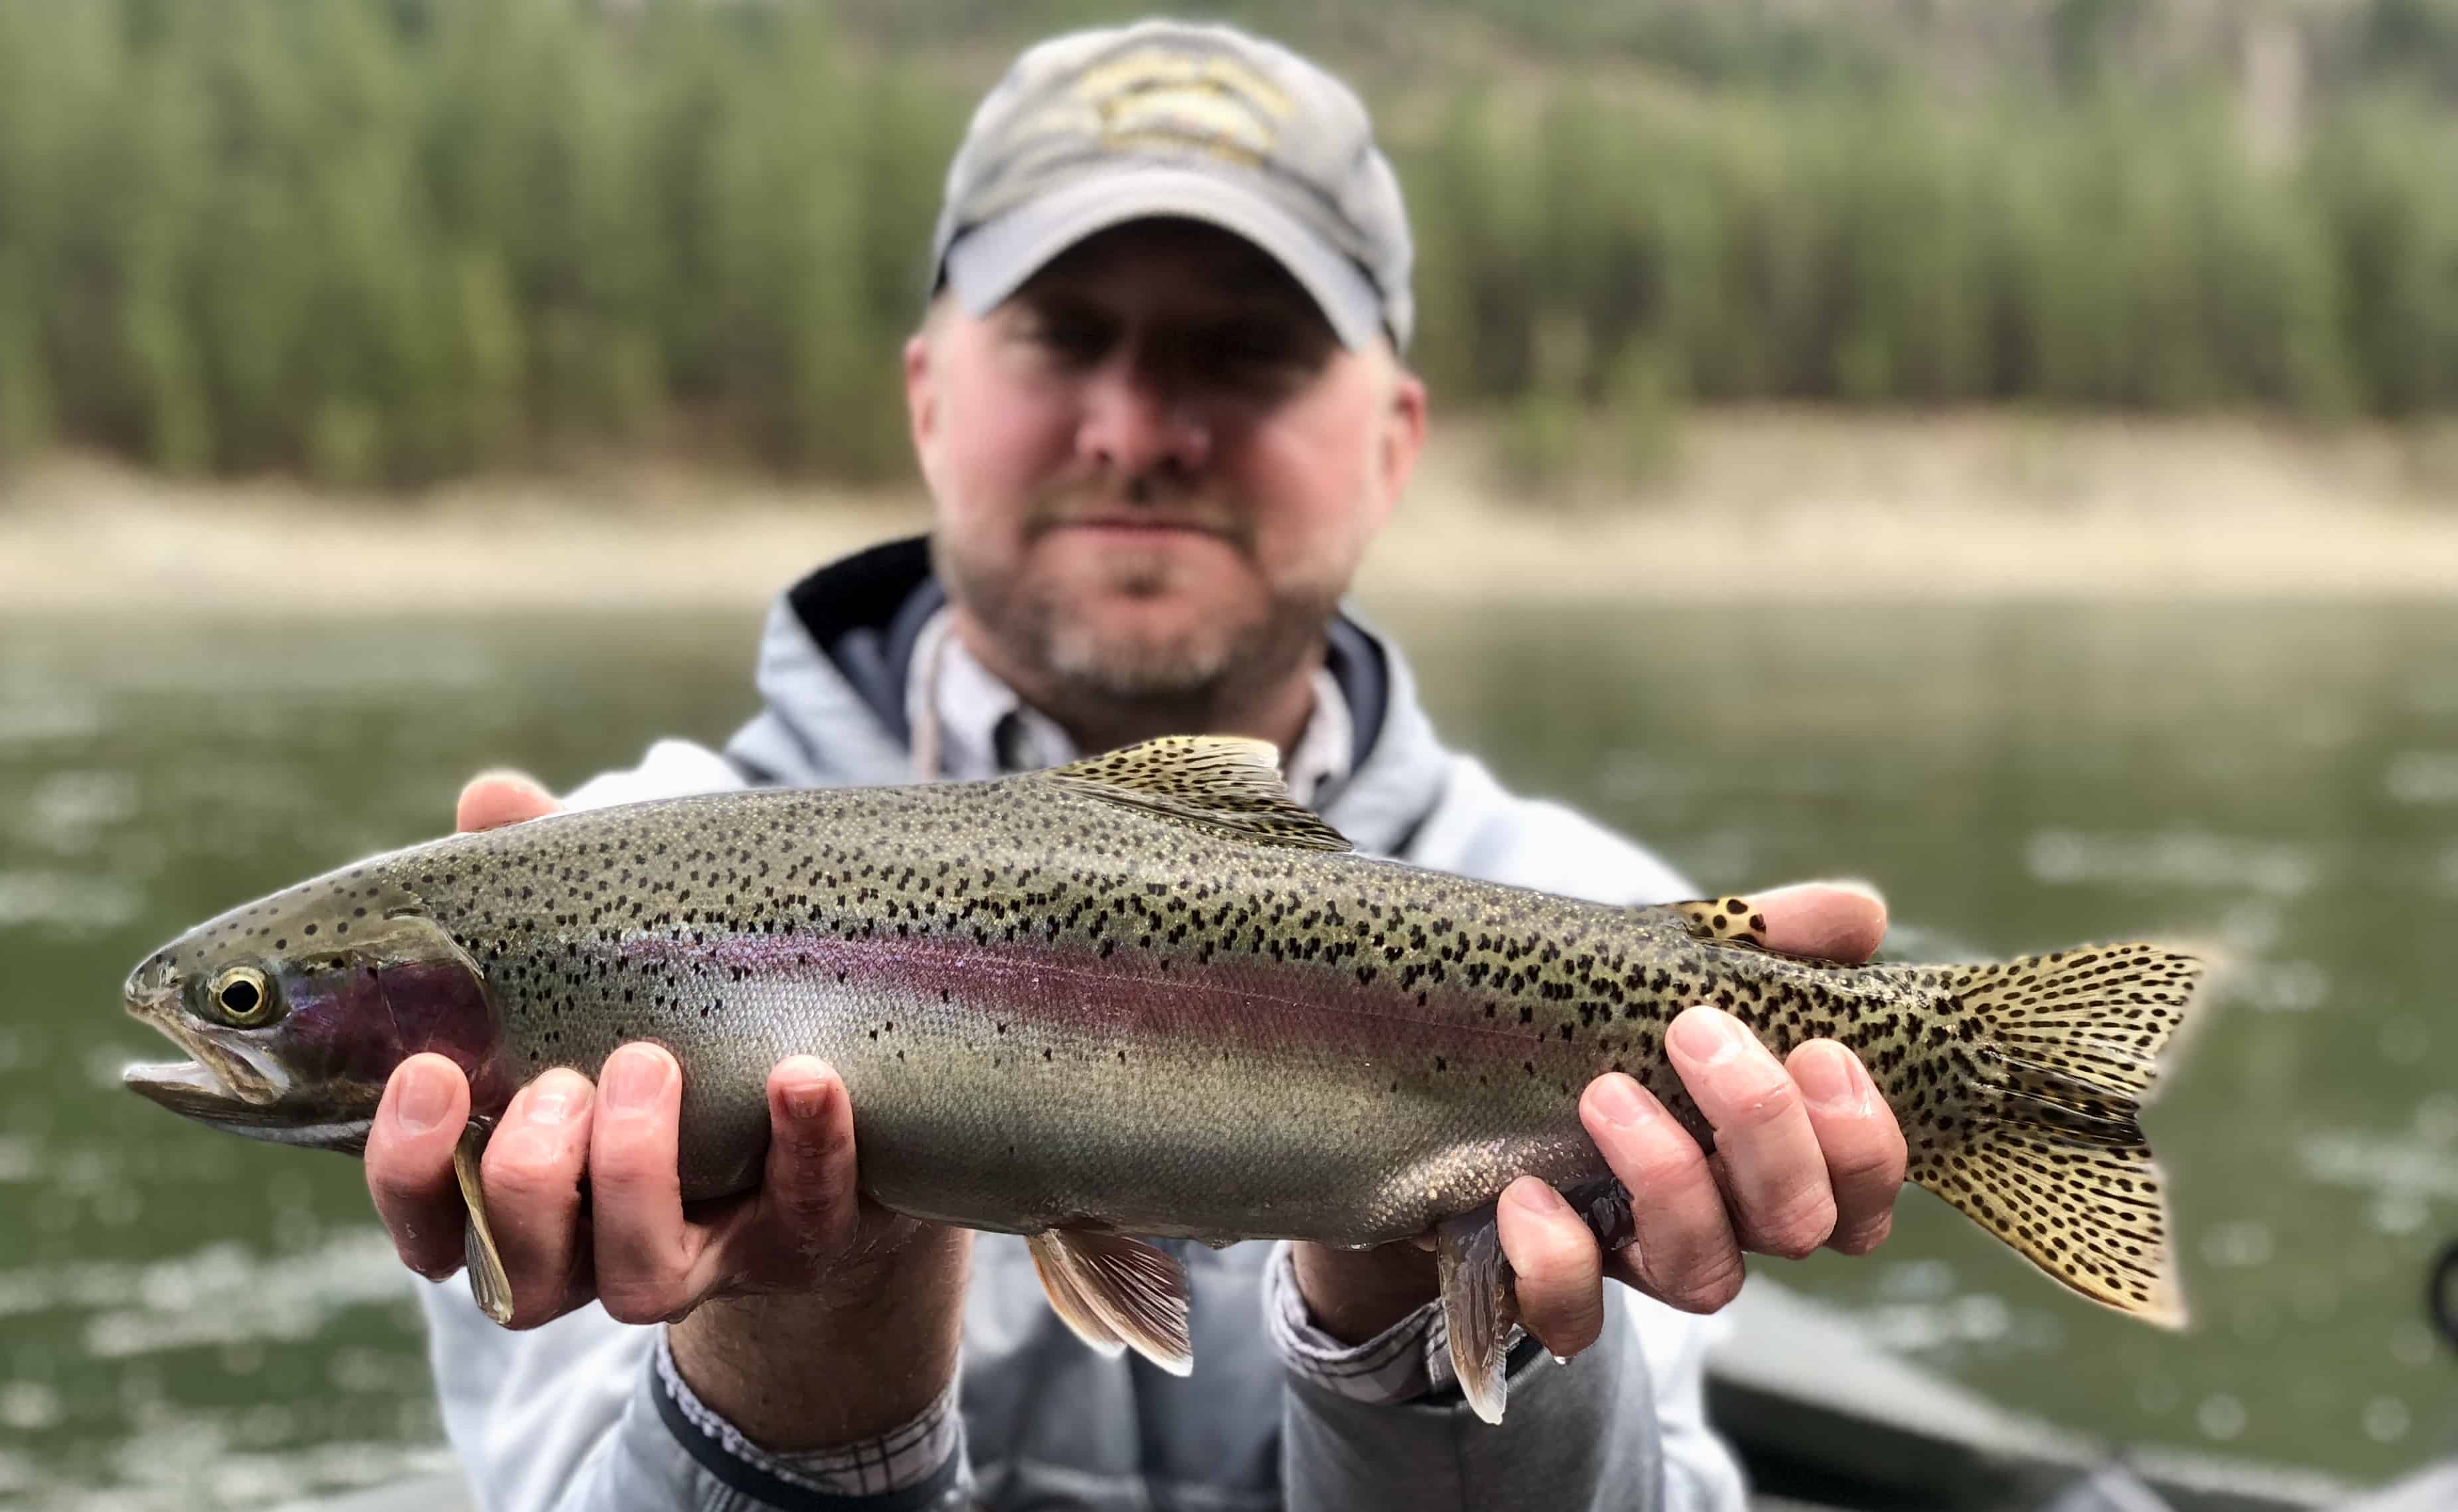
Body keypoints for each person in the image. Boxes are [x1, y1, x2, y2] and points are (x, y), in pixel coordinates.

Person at [362, 21, 1906, 1511]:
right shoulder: (613, 905)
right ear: (926, 396)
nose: (1138, 427)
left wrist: (1425, 1292)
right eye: (1062, 335)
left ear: (1394, 441)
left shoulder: (1586, 914)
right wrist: (801, 1340)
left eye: (1243, 353)